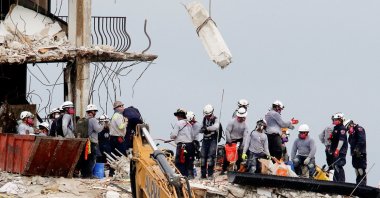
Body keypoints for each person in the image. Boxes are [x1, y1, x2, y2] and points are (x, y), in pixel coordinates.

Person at [222, 107, 249, 175]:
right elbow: (227, 131)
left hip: (239, 140)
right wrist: (229, 140)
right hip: (231, 139)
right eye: (240, 117)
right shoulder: (232, 122)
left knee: (239, 155)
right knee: (227, 156)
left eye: (243, 117)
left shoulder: (245, 125)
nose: (241, 118)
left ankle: (237, 169)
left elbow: (245, 135)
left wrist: (243, 145)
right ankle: (224, 169)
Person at [170, 108, 195, 179]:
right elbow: (192, 136)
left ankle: (182, 177)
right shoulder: (189, 124)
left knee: (180, 162)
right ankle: (190, 176)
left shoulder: (178, 123)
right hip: (190, 146)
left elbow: (173, 135)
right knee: (189, 161)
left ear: (178, 116)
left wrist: (172, 136)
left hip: (182, 146)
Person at [80, 104, 104, 178]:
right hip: (92, 141)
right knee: (92, 159)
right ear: (92, 111)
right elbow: (98, 129)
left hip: (85, 141)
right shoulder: (93, 120)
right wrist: (102, 124)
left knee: (85, 158)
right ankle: (89, 175)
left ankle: (84, 174)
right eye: (95, 111)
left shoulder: (85, 119)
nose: (95, 113)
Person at [199, 105, 220, 179]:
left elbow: (216, 126)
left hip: (212, 140)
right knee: (203, 157)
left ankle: (210, 174)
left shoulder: (216, 119)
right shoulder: (204, 119)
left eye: (209, 115)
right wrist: (202, 129)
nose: (208, 117)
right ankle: (203, 174)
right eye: (207, 115)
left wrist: (207, 129)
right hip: (205, 140)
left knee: (211, 157)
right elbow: (200, 128)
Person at [344, 119, 367, 185]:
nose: (348, 130)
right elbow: (350, 142)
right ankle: (358, 182)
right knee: (356, 168)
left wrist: (357, 149)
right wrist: (351, 134)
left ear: (351, 124)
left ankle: (363, 183)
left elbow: (361, 140)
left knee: (360, 168)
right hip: (354, 153)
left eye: (348, 127)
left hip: (360, 152)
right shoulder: (352, 133)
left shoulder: (359, 129)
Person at [109, 101, 128, 177]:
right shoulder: (118, 116)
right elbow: (121, 126)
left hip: (114, 138)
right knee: (121, 155)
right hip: (117, 138)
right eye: (121, 106)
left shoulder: (115, 116)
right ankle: (121, 173)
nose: (123, 107)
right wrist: (126, 122)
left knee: (114, 156)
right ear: (117, 108)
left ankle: (112, 172)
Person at [330, 112, 348, 182]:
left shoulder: (342, 129)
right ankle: (336, 181)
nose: (334, 121)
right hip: (335, 150)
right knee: (334, 166)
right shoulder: (336, 128)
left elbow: (341, 140)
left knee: (338, 165)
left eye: (335, 119)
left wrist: (337, 150)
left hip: (341, 151)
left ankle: (341, 181)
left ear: (340, 120)